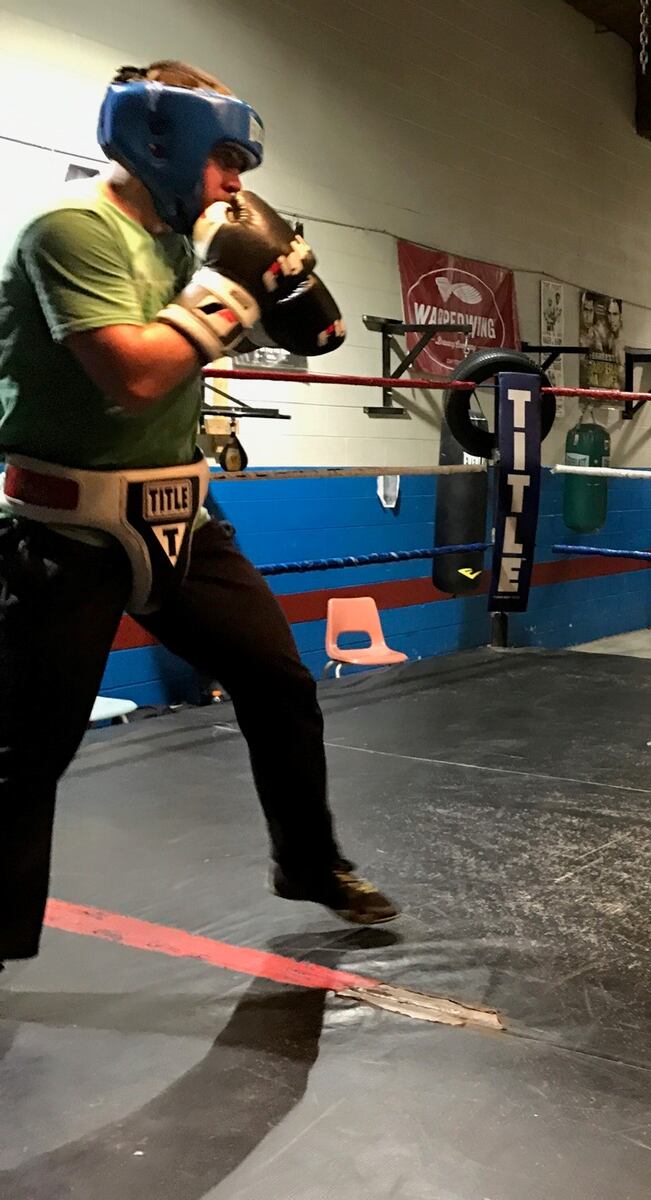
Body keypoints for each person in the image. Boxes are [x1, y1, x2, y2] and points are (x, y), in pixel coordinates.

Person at [0, 62, 398, 973]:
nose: (236, 184)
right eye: (225, 159)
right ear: (158, 140)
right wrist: (231, 289)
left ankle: (310, 865)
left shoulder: (186, 243)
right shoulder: (72, 229)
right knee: (26, 751)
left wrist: (289, 291)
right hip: (66, 527)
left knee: (279, 683)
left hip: (182, 513)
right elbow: (135, 375)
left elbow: (310, 337)